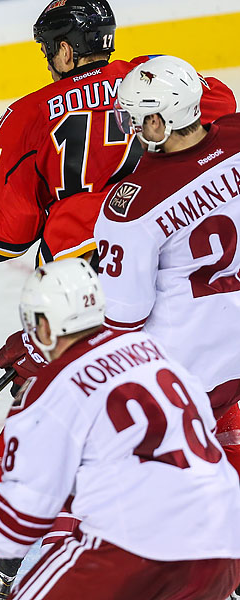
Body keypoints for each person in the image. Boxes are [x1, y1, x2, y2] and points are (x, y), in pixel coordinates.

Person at [0, 2, 236, 596]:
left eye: (50, 48)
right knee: (207, 407)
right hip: (170, 278)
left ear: (64, 50)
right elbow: (212, 118)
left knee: (47, 411)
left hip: (80, 288)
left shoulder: (30, 116)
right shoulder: (163, 78)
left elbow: (6, 231)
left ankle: (1, 567)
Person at [0, 258, 240, 600]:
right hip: (225, 543)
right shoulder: (157, 353)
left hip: (141, 551)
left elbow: (16, 521)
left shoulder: (51, 394)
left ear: (46, 326)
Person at [96, 57, 240, 599]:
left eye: (139, 119)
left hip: (189, 367)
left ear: (159, 121)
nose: (133, 129)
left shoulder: (133, 204)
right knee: (225, 429)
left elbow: (122, 320)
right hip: (235, 349)